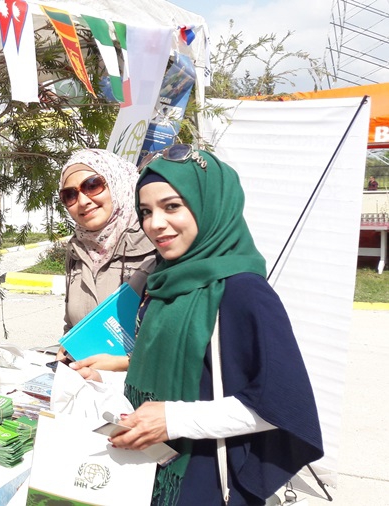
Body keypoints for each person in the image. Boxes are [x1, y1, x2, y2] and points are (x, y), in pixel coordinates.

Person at [112, 148, 323, 505]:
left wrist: (173, 420)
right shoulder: (165, 281)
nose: (155, 224)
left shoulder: (242, 290)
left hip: (205, 480)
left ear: (210, 204)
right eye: (146, 212)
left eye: (172, 206)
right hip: (148, 470)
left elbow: (282, 404)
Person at [55, 149, 157, 378]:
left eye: (92, 185)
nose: (83, 201)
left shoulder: (156, 245)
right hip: (87, 389)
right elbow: (72, 324)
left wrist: (123, 364)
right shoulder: (77, 250)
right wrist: (69, 346)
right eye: (69, 195)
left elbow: (176, 345)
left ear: (117, 183)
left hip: (143, 396)